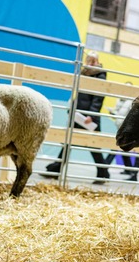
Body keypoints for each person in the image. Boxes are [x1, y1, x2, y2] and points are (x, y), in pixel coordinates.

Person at [45, 51, 110, 183]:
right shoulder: (84, 72)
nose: (91, 63)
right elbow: (78, 94)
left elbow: (98, 97)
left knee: (93, 146)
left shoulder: (100, 75)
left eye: (93, 61)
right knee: (67, 141)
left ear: (98, 62)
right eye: (89, 60)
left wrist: (92, 115)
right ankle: (56, 169)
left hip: (89, 118)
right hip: (78, 115)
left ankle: (103, 173)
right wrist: (73, 108)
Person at [107, 82, 139, 181]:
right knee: (122, 146)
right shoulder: (120, 99)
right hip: (120, 127)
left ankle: (104, 165)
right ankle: (129, 169)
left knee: (116, 146)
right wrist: (113, 112)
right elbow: (119, 113)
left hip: (127, 130)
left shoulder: (132, 101)